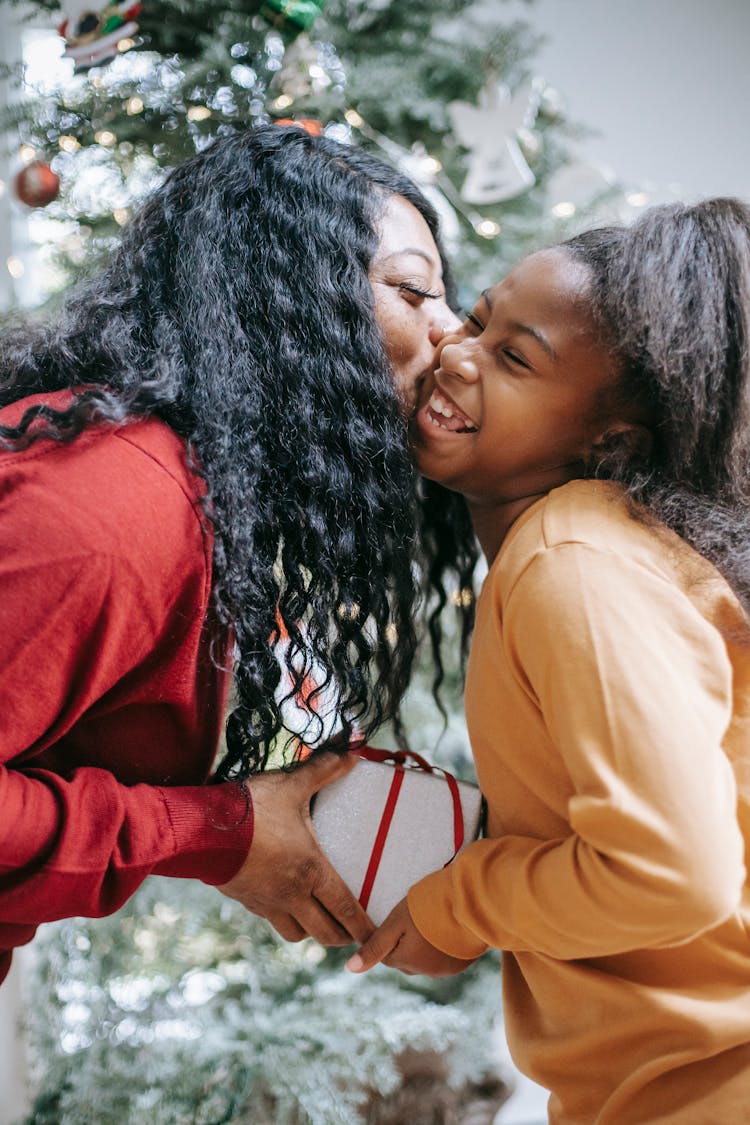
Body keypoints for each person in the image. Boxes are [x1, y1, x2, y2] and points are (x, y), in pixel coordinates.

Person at [0, 123, 478, 986]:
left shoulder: (219, 503)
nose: (454, 335)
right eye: (415, 291)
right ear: (287, 297)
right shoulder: (117, 513)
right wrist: (216, 831)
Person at [347, 197, 750, 1124]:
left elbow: (671, 873)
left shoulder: (572, 558)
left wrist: (457, 905)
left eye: (514, 357)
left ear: (607, 442)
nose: (455, 353)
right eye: (479, 320)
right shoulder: (603, 551)